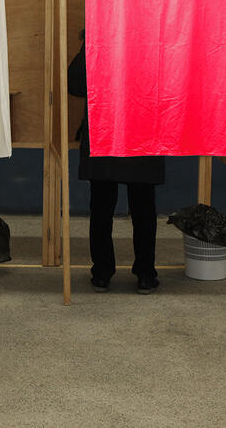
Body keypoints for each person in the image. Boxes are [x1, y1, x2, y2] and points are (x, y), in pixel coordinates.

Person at [68, 31, 163, 294]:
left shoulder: (101, 37)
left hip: (105, 131)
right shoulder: (153, 37)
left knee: (101, 208)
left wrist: (89, 42)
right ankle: (145, 274)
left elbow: (75, 84)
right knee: (143, 208)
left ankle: (101, 273)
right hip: (141, 131)